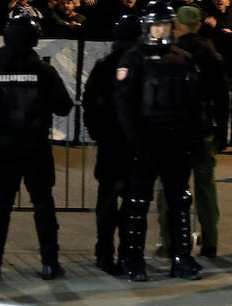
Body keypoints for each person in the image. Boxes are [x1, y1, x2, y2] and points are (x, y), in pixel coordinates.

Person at [0, 16, 74, 281]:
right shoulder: (45, 72)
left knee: (0, 205)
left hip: (5, 146)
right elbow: (64, 106)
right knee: (43, 205)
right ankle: (50, 264)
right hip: (36, 146)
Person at [114, 1, 206, 282]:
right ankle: (133, 259)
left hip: (175, 141)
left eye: (164, 24)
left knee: (180, 201)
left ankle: (182, 258)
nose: (160, 30)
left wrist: (195, 140)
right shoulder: (133, 58)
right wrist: (135, 141)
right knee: (138, 202)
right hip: (146, 141)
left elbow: (194, 105)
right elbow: (124, 104)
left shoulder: (182, 58)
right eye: (155, 25)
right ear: (147, 27)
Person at [155, 5, 229, 257]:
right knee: (205, 184)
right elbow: (222, 96)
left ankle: (170, 242)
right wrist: (222, 130)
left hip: (172, 129)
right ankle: (211, 241)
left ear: (178, 25)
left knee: (168, 186)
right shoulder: (211, 53)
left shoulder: (168, 52)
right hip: (203, 128)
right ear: (198, 24)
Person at [82, 14, 141, 274]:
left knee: (106, 199)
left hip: (109, 142)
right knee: (132, 201)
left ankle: (104, 251)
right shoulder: (141, 64)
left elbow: (89, 101)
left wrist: (97, 132)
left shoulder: (104, 64)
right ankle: (127, 253)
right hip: (133, 143)